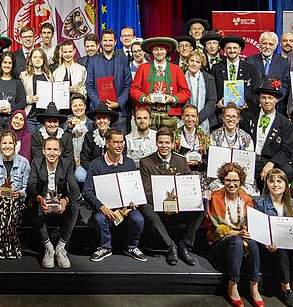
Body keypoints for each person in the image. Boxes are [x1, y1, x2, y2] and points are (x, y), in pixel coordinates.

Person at [140, 128, 205, 266]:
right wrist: (166, 205)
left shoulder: (181, 161)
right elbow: (147, 191)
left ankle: (185, 245)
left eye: (167, 143)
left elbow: (187, 187)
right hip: (158, 205)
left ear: (173, 144)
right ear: (156, 143)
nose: (164, 146)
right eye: (161, 142)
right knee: (145, 208)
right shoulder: (146, 162)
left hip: (178, 206)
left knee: (201, 206)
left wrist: (177, 205)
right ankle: (171, 246)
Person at [83, 128, 147, 262]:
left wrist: (134, 202)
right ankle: (105, 247)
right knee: (99, 219)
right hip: (105, 208)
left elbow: (135, 188)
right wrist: (101, 207)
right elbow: (87, 191)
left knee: (139, 219)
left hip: (126, 209)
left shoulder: (129, 163)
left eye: (122, 142)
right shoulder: (96, 164)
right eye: (116, 142)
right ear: (107, 144)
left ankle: (131, 246)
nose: (120, 145)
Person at [206, 162, 262, 307]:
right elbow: (215, 227)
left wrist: (247, 231)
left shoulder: (247, 199)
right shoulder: (215, 197)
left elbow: (251, 223)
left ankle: (254, 286)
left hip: (241, 239)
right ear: (223, 180)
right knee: (237, 241)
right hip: (219, 242)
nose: (232, 184)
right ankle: (233, 285)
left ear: (240, 181)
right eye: (228, 180)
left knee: (253, 244)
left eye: (235, 181)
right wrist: (238, 233)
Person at [254, 168, 293, 307]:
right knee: (281, 250)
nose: (275, 184)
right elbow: (258, 231)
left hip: (290, 243)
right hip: (270, 247)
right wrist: (267, 244)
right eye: (271, 181)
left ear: (286, 184)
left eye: (279, 181)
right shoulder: (260, 203)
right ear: (267, 184)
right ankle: (286, 290)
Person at [27, 136, 80, 268]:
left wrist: (65, 200)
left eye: (55, 149)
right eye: (49, 149)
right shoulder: (36, 162)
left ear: (60, 151)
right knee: (31, 202)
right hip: (43, 200)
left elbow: (75, 190)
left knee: (74, 206)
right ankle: (49, 248)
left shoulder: (66, 163)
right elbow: (31, 186)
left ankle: (60, 248)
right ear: (43, 151)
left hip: (59, 200)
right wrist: (40, 199)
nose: (52, 153)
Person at [0, 130, 31, 259]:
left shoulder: (24, 163)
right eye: (4, 143)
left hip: (17, 203)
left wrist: (20, 194)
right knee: (0, 203)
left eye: (10, 143)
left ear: (15, 144)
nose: (7, 146)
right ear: (0, 145)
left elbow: (27, 188)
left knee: (9, 204)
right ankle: (7, 246)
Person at [244, 79, 293, 193]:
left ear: (276, 100)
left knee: (287, 170)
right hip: (248, 158)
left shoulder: (285, 123)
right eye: (264, 97)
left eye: (270, 98)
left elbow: (287, 151)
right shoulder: (248, 115)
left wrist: (271, 163)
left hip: (269, 160)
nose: (267, 101)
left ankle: (281, 202)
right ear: (260, 99)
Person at [131, 37, 191, 131]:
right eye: (156, 49)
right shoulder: (143, 68)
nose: (159, 52)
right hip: (147, 115)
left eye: (162, 49)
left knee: (168, 144)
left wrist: (172, 99)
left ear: (166, 51)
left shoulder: (176, 69)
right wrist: (144, 98)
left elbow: (186, 92)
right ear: (152, 51)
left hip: (170, 116)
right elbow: (134, 89)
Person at [86, 28, 132, 131]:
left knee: (119, 144)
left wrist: (118, 103)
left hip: (118, 112)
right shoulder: (93, 61)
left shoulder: (123, 60)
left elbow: (128, 85)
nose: (108, 43)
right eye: (105, 40)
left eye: (110, 40)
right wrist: (99, 103)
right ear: (101, 42)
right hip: (97, 111)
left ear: (115, 42)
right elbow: (89, 85)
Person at [210, 104, 257, 195]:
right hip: (220, 177)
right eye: (227, 116)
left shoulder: (246, 138)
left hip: (240, 178)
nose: (231, 119)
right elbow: (213, 162)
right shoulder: (215, 135)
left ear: (239, 119)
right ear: (223, 118)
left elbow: (249, 165)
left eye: (234, 116)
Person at [211, 35, 261, 112]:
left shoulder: (251, 68)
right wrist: (217, 103)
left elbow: (257, 92)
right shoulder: (216, 68)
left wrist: (247, 102)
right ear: (224, 50)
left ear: (239, 50)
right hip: (222, 113)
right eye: (229, 48)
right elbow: (211, 92)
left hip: (245, 113)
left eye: (235, 48)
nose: (232, 50)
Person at [246, 31, 290, 114]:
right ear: (260, 44)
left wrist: (274, 100)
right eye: (264, 43)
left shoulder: (283, 62)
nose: (267, 47)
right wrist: (258, 100)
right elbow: (247, 84)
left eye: (271, 44)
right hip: (255, 106)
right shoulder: (250, 60)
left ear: (275, 46)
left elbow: (285, 85)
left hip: (276, 106)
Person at [0, 52, 27, 130]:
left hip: (12, 121)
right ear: (0, 63)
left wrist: (12, 109)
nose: (7, 65)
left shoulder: (18, 82)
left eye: (10, 63)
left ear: (13, 65)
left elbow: (22, 102)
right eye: (5, 62)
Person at [174, 104, 211, 192]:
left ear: (197, 118)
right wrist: (184, 163)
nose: (190, 119)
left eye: (193, 116)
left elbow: (209, 160)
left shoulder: (204, 138)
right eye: (187, 115)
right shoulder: (174, 136)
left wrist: (199, 163)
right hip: (180, 173)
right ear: (182, 117)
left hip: (200, 174)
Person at [78, 103, 117, 184]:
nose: (101, 121)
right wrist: (94, 170)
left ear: (109, 121)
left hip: (112, 168)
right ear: (95, 121)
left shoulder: (116, 136)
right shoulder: (89, 135)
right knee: (79, 175)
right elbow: (84, 157)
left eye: (104, 118)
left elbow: (121, 155)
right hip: (93, 168)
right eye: (99, 118)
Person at [20, 48, 54, 133]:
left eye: (40, 57)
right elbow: (19, 95)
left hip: (44, 116)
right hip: (30, 115)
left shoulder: (49, 75)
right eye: (35, 57)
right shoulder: (24, 75)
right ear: (31, 59)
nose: (38, 59)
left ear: (44, 59)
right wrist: (30, 99)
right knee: (31, 142)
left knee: (43, 142)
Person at [30, 102, 74, 167]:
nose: (52, 125)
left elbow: (69, 160)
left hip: (63, 171)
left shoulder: (66, 137)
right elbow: (37, 159)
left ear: (59, 123)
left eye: (55, 121)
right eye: (49, 121)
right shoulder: (36, 137)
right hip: (42, 171)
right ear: (44, 122)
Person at [183, 50, 217, 133]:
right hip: (183, 120)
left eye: (198, 62)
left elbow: (211, 101)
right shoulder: (181, 76)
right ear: (187, 61)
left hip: (204, 120)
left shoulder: (209, 78)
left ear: (201, 64)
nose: (194, 64)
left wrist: (198, 118)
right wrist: (188, 117)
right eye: (192, 61)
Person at [63, 94, 94, 180]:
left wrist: (83, 161)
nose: (78, 108)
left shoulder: (91, 123)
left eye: (80, 105)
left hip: (86, 158)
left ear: (85, 106)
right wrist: (69, 128)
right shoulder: (67, 121)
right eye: (75, 105)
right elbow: (63, 142)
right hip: (70, 158)